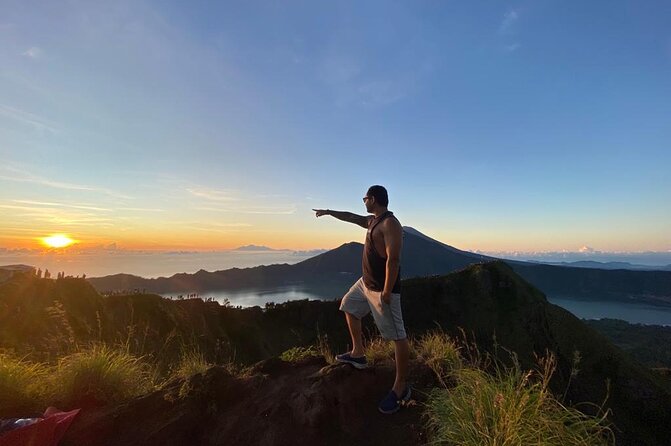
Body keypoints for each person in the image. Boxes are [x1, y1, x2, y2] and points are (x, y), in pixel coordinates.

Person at [313, 185, 411, 414]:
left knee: (398, 336)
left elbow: (393, 260)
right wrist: (328, 212)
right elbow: (350, 217)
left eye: (365, 198)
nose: (363, 201)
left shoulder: (390, 224)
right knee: (348, 306)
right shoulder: (373, 220)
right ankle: (358, 354)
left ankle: (401, 387)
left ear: (373, 199)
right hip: (365, 284)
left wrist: (386, 291)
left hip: (382, 290)